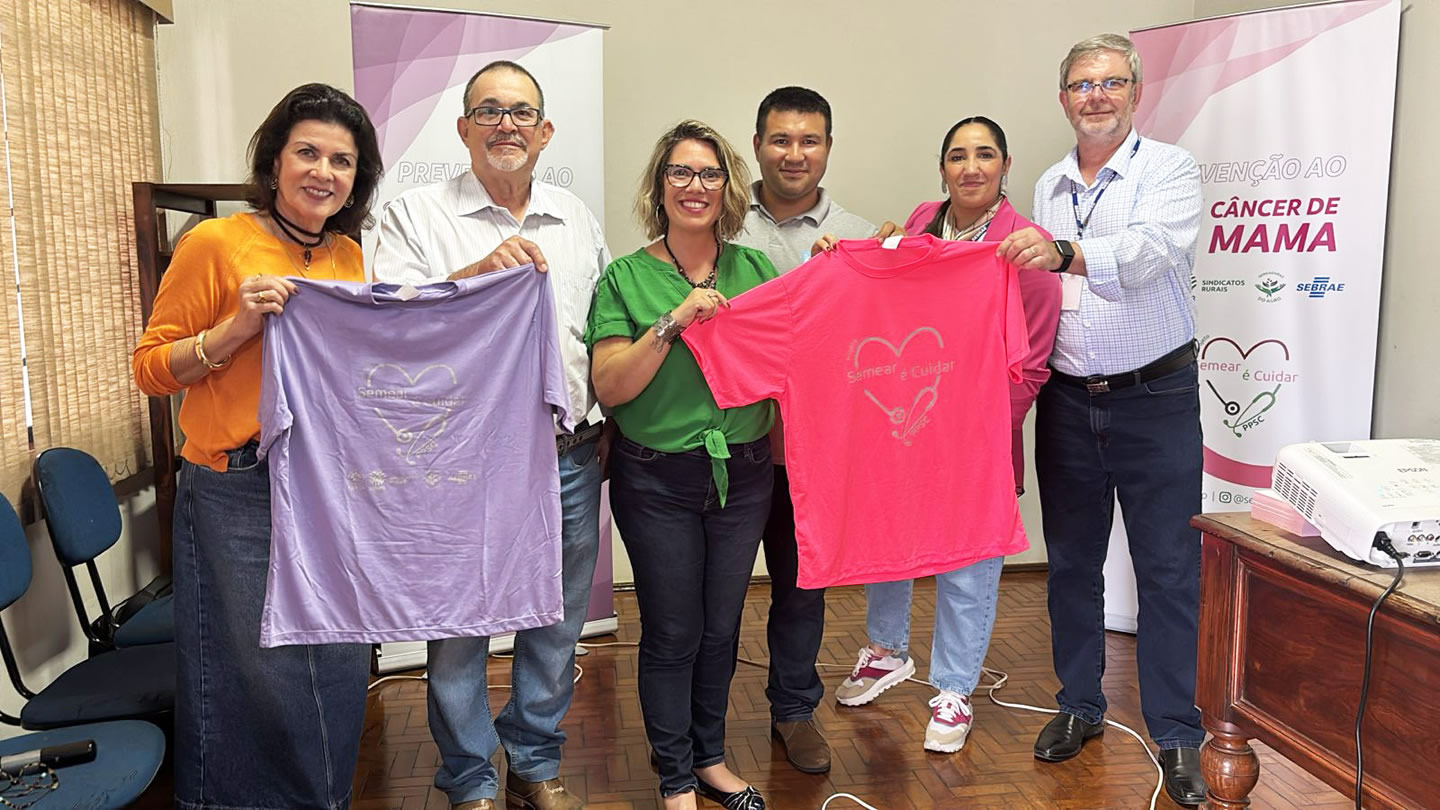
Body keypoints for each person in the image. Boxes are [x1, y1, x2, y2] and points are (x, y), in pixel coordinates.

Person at [132, 83, 383, 810]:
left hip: (328, 483)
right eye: (308, 152)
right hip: (239, 486)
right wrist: (233, 331)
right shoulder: (216, 244)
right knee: (255, 669)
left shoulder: (347, 256)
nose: (323, 172)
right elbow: (150, 368)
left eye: (342, 160)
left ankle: (324, 799)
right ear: (274, 162)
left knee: (337, 659)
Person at [371, 60, 610, 810]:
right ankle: (470, 776)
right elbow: (390, 330)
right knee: (459, 622)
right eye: (489, 110)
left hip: (569, 454)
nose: (506, 124)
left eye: (521, 112)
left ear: (545, 131)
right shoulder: (414, 216)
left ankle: (534, 762)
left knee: (557, 622)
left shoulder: (576, 219)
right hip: (462, 461)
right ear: (462, 128)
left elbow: (599, 335)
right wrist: (475, 273)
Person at [994, 33, 1207, 806]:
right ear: (1064, 99)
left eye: (1111, 82)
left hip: (1155, 400)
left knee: (1169, 571)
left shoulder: (1171, 169)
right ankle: (1080, 706)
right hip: (1067, 400)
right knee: (1072, 566)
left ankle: (1176, 733)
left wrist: (1062, 251)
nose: (1096, 96)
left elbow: (1147, 255)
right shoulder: (1048, 183)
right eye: (1082, 85)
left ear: (1135, 93)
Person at [827, 117, 1061, 753]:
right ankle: (887, 650)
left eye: (985, 155)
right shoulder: (921, 223)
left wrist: (978, 429)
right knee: (891, 534)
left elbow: (1033, 363)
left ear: (1005, 165)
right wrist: (851, 257)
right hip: (909, 423)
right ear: (942, 169)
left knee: (968, 558)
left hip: (976, 435)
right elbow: (889, 302)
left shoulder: (1024, 245)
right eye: (958, 156)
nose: (971, 167)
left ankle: (954, 688)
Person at [586, 120, 775, 810]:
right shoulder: (625, 277)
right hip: (656, 480)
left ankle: (710, 760)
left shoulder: (757, 271)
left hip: (744, 475)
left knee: (722, 628)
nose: (695, 186)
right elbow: (611, 387)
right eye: (680, 172)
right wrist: (674, 320)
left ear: (728, 187)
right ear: (659, 186)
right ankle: (675, 779)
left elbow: (794, 359)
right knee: (673, 631)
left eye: (709, 173)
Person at [731, 85, 876, 774]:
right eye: (781, 139)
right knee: (714, 596)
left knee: (800, 588)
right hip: (729, 446)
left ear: (828, 147)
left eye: (809, 140)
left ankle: (794, 710)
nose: (795, 153)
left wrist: (858, 267)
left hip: (811, 454)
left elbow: (874, 343)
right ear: (758, 144)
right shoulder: (720, 220)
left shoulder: (857, 234)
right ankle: (701, 725)